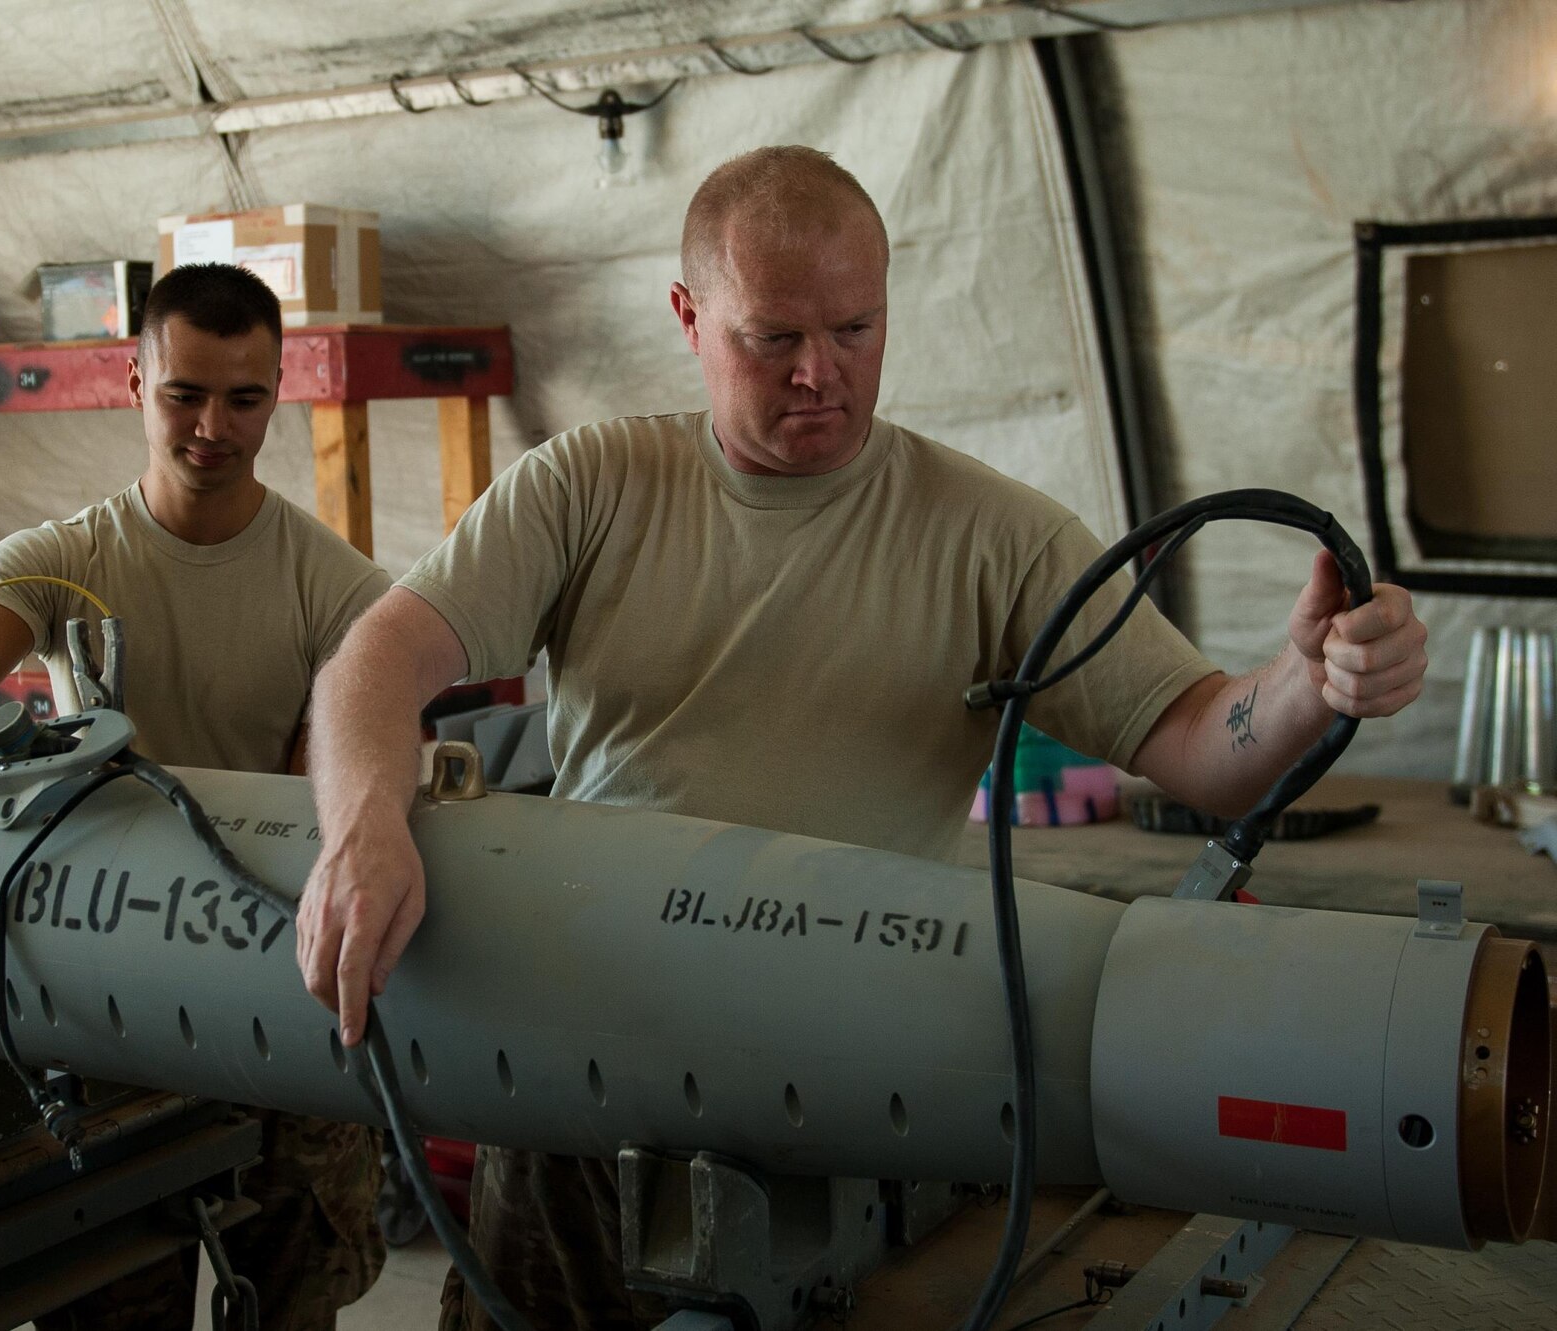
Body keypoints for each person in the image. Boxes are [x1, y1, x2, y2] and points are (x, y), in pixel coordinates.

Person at [291, 147, 1430, 1330]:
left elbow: (1196, 736)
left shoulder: (992, 535)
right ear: (687, 317)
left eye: (853, 327)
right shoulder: (591, 485)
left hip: (855, 1089)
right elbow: (379, 656)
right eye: (770, 337)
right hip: (588, 1073)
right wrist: (363, 820)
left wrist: (1306, 684)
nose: (817, 374)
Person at [0, 262, 390, 1331]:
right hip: (107, 997)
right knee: (110, 1292)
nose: (213, 426)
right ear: (133, 380)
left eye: (245, 398)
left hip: (276, 980)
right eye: (185, 393)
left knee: (298, 1285)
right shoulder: (63, 558)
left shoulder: (335, 587)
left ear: (278, 395)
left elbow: (352, 761)